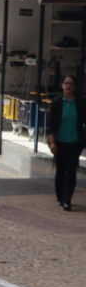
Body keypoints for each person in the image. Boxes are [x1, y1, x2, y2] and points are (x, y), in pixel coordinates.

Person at [47, 75, 86, 211]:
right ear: (62, 85)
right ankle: (60, 196)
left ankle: (67, 199)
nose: (68, 86)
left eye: (71, 84)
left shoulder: (80, 102)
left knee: (71, 171)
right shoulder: (57, 102)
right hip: (59, 143)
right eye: (66, 83)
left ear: (74, 87)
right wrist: (52, 143)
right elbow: (51, 125)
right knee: (61, 171)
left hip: (74, 142)